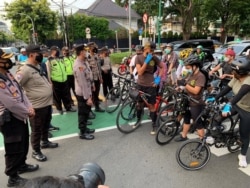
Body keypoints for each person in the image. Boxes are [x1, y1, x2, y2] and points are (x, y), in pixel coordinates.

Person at [0, 49, 39, 187]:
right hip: (9, 119)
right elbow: (11, 103)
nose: (9, 61)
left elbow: (20, 93)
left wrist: (29, 107)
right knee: (14, 147)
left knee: (22, 143)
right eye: (5, 59)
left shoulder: (8, 74)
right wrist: (27, 111)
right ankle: (13, 177)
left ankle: (21, 165)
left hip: (19, 116)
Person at [15, 44, 59, 162]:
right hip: (36, 106)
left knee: (45, 125)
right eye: (38, 53)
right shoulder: (24, 70)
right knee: (36, 130)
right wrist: (25, 105)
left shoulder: (38, 66)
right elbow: (15, 88)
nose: (41, 55)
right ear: (31, 55)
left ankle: (45, 142)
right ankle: (36, 151)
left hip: (46, 103)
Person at [207, 56, 250, 168]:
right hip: (236, 105)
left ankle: (243, 155)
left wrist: (228, 104)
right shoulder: (236, 78)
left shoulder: (248, 81)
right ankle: (219, 138)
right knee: (217, 117)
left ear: (240, 72)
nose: (231, 72)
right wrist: (215, 97)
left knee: (244, 134)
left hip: (247, 110)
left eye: (233, 70)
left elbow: (241, 93)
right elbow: (227, 89)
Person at [175, 55, 206, 141]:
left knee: (198, 123)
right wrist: (181, 88)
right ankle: (183, 136)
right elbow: (187, 85)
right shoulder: (191, 74)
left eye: (188, 67)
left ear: (195, 66)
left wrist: (185, 85)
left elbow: (196, 91)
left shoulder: (200, 76)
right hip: (187, 100)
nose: (186, 69)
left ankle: (202, 142)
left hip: (196, 102)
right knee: (186, 118)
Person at [135, 41, 163, 135]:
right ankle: (138, 120)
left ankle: (154, 124)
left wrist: (158, 79)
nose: (152, 52)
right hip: (140, 84)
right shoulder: (138, 57)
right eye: (151, 50)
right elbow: (140, 72)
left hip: (151, 85)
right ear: (146, 48)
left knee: (151, 105)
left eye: (153, 50)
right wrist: (146, 61)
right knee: (139, 103)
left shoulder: (154, 57)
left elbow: (162, 67)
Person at [73, 44, 95, 140]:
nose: (87, 52)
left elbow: (88, 75)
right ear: (81, 52)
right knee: (83, 113)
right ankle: (82, 132)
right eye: (85, 51)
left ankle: (85, 128)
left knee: (86, 112)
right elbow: (82, 83)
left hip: (87, 90)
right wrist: (88, 98)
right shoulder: (79, 65)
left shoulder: (84, 62)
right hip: (83, 93)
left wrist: (92, 84)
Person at [46, 46, 76, 114]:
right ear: (53, 51)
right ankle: (59, 108)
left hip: (64, 80)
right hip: (56, 81)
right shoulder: (49, 60)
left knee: (66, 95)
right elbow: (49, 72)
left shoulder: (61, 59)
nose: (58, 51)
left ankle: (68, 107)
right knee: (57, 96)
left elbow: (65, 68)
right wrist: (50, 82)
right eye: (56, 50)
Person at [87, 42, 105, 113]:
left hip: (97, 78)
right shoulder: (87, 57)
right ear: (90, 48)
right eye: (93, 47)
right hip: (91, 79)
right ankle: (89, 110)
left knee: (96, 93)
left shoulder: (96, 56)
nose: (95, 48)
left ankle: (97, 107)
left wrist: (100, 78)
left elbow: (99, 68)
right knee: (90, 94)